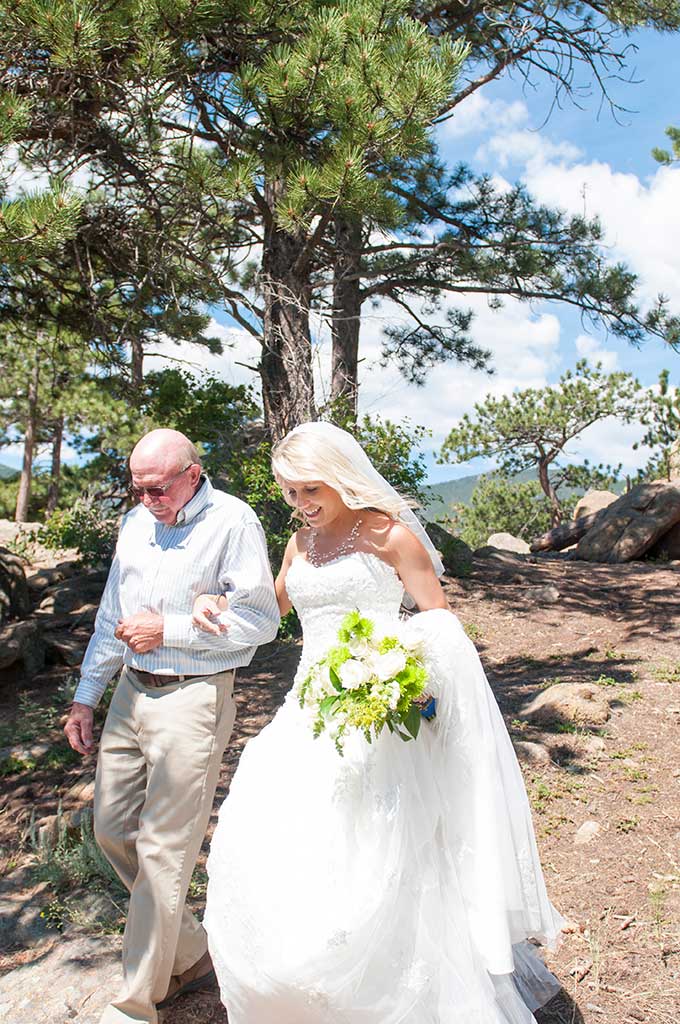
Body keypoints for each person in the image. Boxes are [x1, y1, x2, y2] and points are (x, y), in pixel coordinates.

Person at [194, 421, 564, 1024]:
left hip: (376, 714)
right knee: (284, 834)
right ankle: (304, 983)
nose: (301, 504)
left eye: (311, 489)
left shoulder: (391, 536)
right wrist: (215, 603)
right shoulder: (298, 547)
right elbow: (269, 609)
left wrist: (398, 675)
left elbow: (439, 624)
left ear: (340, 477)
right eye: (290, 493)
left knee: (381, 847)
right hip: (308, 712)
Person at [63, 428, 280, 1024]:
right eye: (137, 489)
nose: (147, 500)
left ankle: (137, 1003)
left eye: (157, 488)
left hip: (195, 698)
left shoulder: (234, 523)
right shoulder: (136, 523)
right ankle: (189, 949)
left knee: (163, 851)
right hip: (131, 694)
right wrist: (86, 697)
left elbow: (262, 623)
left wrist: (174, 629)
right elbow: (113, 614)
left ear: (192, 472)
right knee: (111, 830)